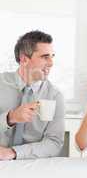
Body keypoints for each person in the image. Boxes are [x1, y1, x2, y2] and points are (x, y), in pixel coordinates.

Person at [0, 30, 65, 160]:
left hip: (32, 164)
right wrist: (9, 118)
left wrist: (14, 152)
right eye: (45, 57)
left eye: (52, 56)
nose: (51, 63)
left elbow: (54, 143)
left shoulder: (55, 96)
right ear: (24, 59)